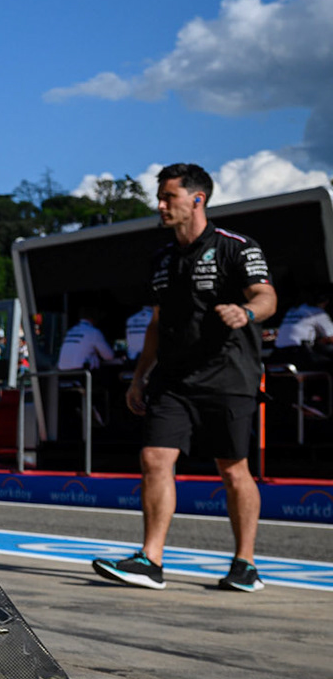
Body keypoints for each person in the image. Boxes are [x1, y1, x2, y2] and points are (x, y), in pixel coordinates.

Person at [93, 163, 276, 593]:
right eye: (160, 198)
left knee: (233, 470)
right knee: (155, 459)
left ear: (198, 199)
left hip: (229, 377)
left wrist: (246, 312)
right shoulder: (162, 258)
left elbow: (266, 296)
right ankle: (150, 560)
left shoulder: (237, 247)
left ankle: (245, 564)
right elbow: (157, 323)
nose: (160, 206)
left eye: (168, 198)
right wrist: (139, 377)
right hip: (173, 380)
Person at [274, 287, 333, 364]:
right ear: (326, 302)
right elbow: (331, 338)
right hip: (301, 353)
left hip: (278, 353)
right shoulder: (317, 312)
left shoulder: (292, 310)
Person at [57, 307, 120, 371]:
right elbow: (109, 356)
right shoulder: (93, 332)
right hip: (82, 374)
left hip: (62, 373)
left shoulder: (70, 331)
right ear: (95, 317)